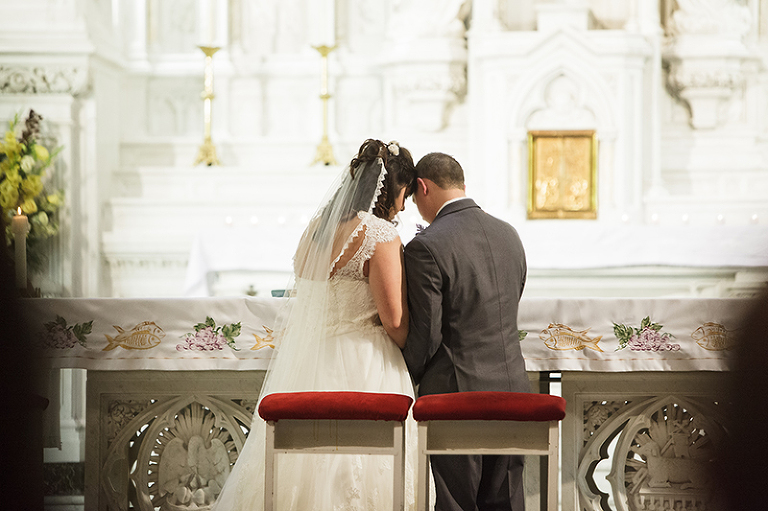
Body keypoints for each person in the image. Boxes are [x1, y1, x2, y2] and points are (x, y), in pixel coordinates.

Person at [212, 139, 417, 510]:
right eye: (404, 193)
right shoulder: (380, 235)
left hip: (312, 362)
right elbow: (395, 321)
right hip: (366, 364)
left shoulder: (315, 230)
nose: (404, 205)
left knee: (305, 466)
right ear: (392, 188)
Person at [402, 152, 530, 511]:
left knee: (457, 502)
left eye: (415, 197)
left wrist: (401, 375)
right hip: (513, 388)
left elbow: (427, 334)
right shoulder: (509, 234)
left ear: (423, 187)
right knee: (505, 500)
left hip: (456, 391)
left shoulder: (427, 246)